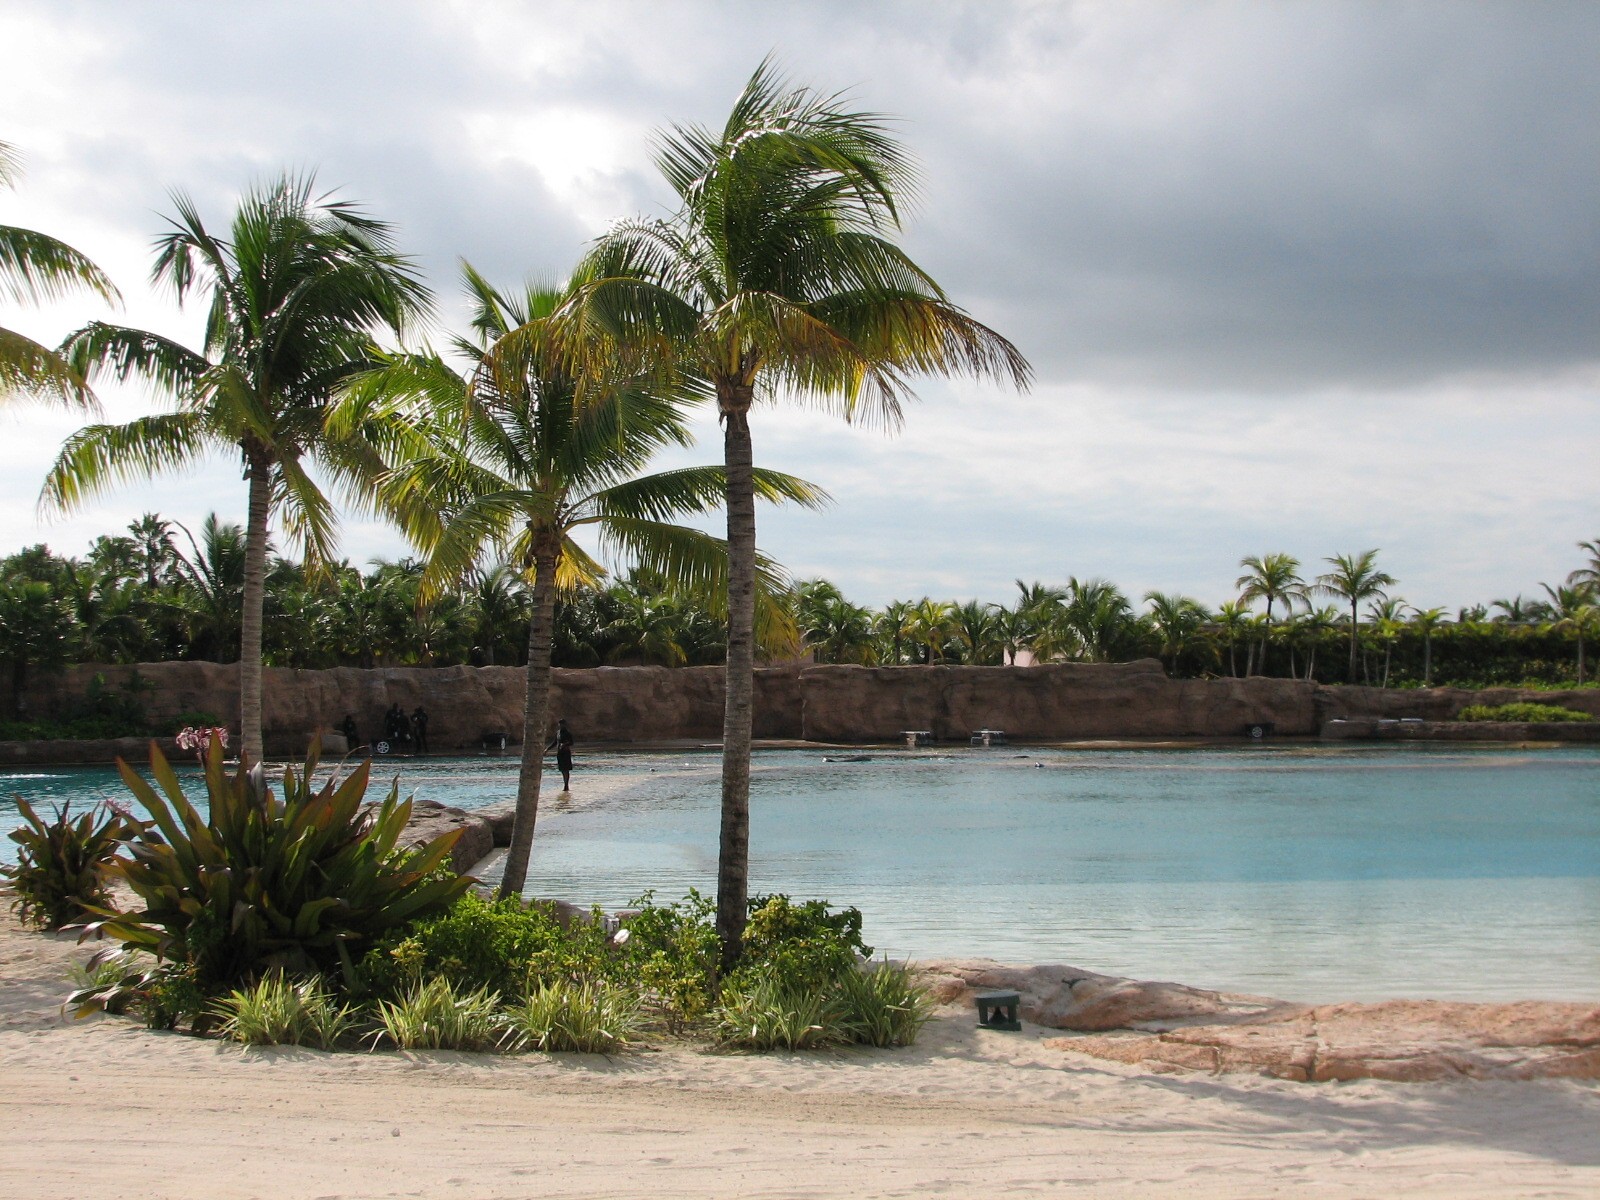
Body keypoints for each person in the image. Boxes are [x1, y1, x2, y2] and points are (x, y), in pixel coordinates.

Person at [547, 718, 574, 790]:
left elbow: (571, 742)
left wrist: (564, 744)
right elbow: (555, 742)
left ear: (565, 725)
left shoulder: (568, 733)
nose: (561, 725)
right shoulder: (558, 733)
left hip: (566, 752)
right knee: (562, 769)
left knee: (566, 769)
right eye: (560, 724)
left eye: (562, 724)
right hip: (559, 753)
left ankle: (566, 785)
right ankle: (565, 783)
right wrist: (547, 749)